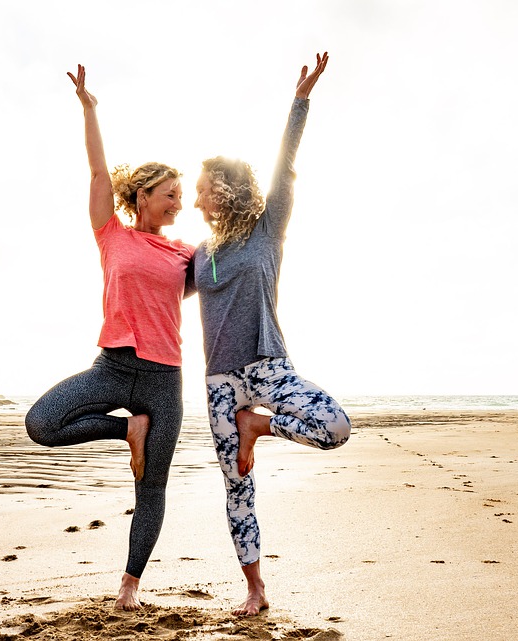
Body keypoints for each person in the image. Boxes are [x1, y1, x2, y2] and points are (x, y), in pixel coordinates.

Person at [188, 52, 352, 616]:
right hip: (218, 383)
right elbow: (156, 291)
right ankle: (255, 590)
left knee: (334, 427)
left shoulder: (267, 228)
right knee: (236, 483)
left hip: (268, 366)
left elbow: (284, 166)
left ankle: (259, 426)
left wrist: (300, 101)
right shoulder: (200, 255)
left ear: (226, 190)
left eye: (203, 188)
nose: (195, 199)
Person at [25, 64, 194, 611]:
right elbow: (99, 175)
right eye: (171, 193)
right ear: (144, 195)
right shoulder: (111, 235)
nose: (179, 202)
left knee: (152, 488)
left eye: (182, 195)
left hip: (165, 378)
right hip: (113, 367)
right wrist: (90, 109)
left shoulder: (186, 255)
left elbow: (230, 272)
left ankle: (129, 586)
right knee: (43, 424)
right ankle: (127, 432)